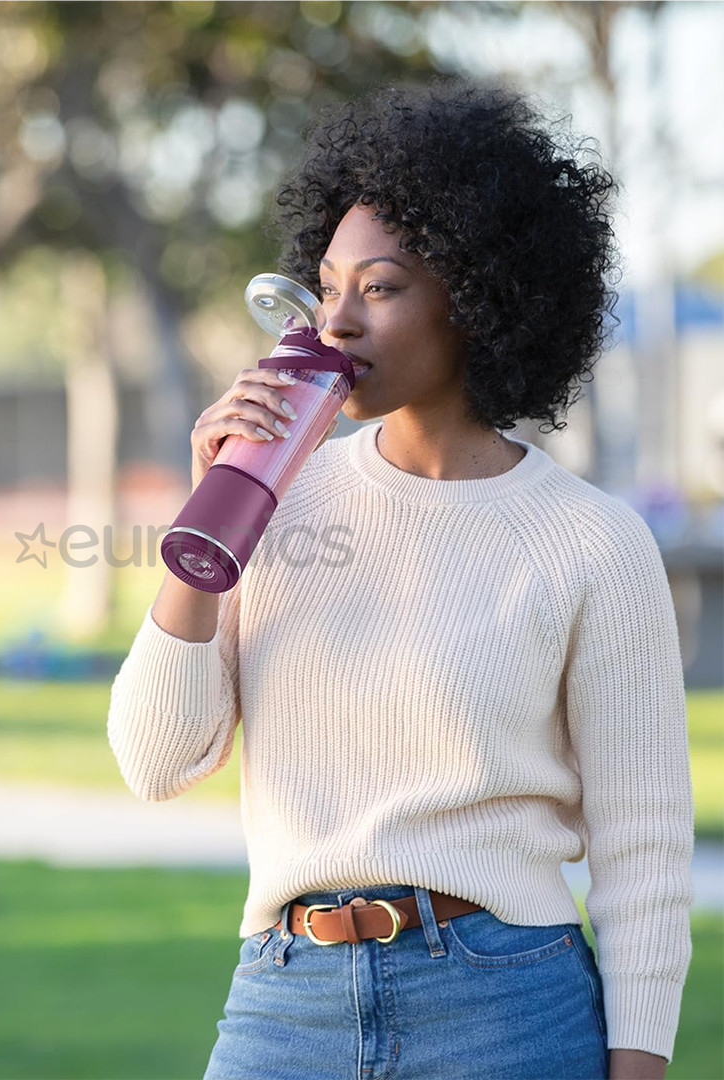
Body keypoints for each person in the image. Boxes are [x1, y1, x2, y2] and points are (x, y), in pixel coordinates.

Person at [107, 79, 693, 1080]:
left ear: (475, 296)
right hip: (283, 999)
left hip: (505, 1005)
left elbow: (642, 852)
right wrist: (209, 523)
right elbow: (156, 762)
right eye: (326, 286)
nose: (336, 323)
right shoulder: (272, 500)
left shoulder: (592, 542)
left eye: (379, 288)